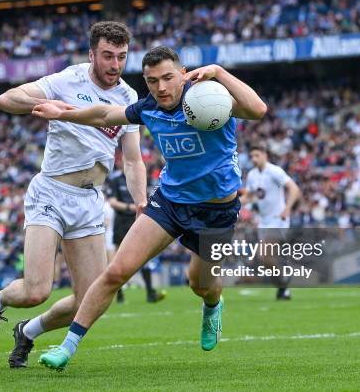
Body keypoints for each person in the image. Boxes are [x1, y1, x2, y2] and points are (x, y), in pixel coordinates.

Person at [32, 46, 267, 371]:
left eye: (168, 77)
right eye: (152, 80)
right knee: (115, 272)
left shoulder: (209, 96)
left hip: (215, 212)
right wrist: (64, 113)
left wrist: (219, 71)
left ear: (183, 74)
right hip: (169, 202)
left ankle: (213, 307)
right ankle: (67, 346)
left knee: (200, 285)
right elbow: (103, 115)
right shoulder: (148, 108)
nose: (161, 87)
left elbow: (257, 109)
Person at [0, 21, 147, 369]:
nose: (115, 65)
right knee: (37, 290)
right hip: (51, 192)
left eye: (121, 57)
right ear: (91, 54)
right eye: (108, 56)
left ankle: (29, 331)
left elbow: (132, 159)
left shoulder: (128, 98)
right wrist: (46, 102)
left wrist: (141, 204)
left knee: (93, 299)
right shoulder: (67, 80)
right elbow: (5, 100)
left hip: (89, 201)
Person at [244, 144, 301, 300]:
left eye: (257, 155)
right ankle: (283, 286)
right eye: (251, 156)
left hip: (278, 219)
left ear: (265, 155)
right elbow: (249, 196)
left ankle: (283, 281)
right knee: (266, 260)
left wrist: (287, 208)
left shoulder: (274, 171)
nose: (254, 159)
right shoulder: (252, 175)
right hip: (263, 221)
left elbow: (294, 189)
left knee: (263, 255)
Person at [106, 158, 165, 303]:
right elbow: (112, 202)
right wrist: (130, 207)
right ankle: (119, 295)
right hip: (121, 222)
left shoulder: (139, 179)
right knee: (118, 258)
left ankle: (150, 293)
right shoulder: (116, 180)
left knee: (144, 257)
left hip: (137, 221)